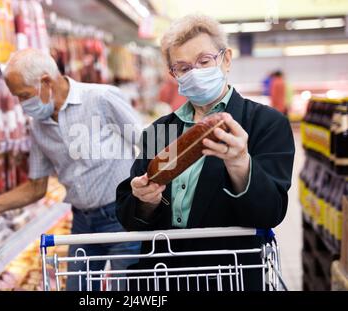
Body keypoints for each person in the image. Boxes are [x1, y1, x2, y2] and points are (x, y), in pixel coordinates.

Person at [116, 14, 295, 290]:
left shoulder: (265, 124)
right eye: (183, 67)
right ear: (173, 75)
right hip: (162, 278)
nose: (195, 73)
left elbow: (270, 213)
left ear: (226, 59)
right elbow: (130, 215)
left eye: (204, 61)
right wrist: (145, 201)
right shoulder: (159, 131)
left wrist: (240, 164)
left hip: (229, 277)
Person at [0, 48, 142, 291]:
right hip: (82, 221)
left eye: (24, 95)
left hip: (122, 217)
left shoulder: (101, 99)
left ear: (46, 82)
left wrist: (151, 199)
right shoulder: (39, 126)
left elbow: (147, 144)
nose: (22, 105)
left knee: (125, 293)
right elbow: (37, 187)